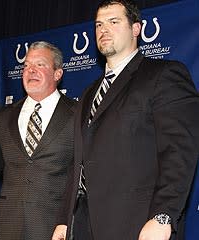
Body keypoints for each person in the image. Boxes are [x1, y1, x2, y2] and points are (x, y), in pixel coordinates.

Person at [52, 1, 199, 240]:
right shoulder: (89, 92)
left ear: (136, 29)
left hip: (138, 224)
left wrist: (163, 216)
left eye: (114, 21)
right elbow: (78, 163)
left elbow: (180, 151)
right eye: (99, 24)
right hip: (84, 224)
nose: (103, 29)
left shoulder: (163, 75)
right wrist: (64, 220)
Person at [0, 41, 76, 240]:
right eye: (27, 65)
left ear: (58, 74)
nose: (31, 70)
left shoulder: (77, 114)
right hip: (9, 226)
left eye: (40, 65)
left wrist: (68, 220)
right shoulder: (4, 117)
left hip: (55, 226)